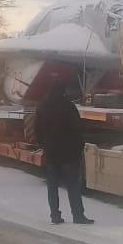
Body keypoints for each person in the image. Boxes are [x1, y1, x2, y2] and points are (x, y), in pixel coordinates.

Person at [33, 79, 94, 225]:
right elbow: (77, 129)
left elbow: (37, 131)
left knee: (52, 186)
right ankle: (78, 215)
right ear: (63, 92)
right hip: (69, 154)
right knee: (73, 185)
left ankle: (55, 215)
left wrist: (45, 145)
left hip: (52, 154)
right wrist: (78, 148)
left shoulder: (42, 107)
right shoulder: (68, 107)